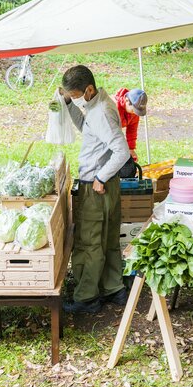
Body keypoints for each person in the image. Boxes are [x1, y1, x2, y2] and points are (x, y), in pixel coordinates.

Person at [61, 66, 131, 313]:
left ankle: (87, 298)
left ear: (89, 89)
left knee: (89, 242)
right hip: (108, 185)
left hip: (97, 185)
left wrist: (100, 177)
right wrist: (69, 104)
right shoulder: (97, 104)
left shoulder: (101, 112)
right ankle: (115, 289)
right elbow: (87, 128)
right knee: (109, 238)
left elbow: (122, 151)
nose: (77, 98)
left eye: (77, 95)